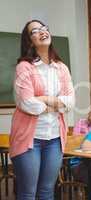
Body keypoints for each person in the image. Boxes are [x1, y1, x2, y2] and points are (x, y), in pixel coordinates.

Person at [9, 20, 74, 200]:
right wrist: (55, 104)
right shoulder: (24, 67)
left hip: (54, 138)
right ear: (30, 41)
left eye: (44, 28)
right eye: (35, 31)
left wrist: (43, 100)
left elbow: (70, 102)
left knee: (47, 191)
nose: (42, 31)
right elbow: (28, 104)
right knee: (28, 193)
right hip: (29, 139)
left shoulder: (61, 68)